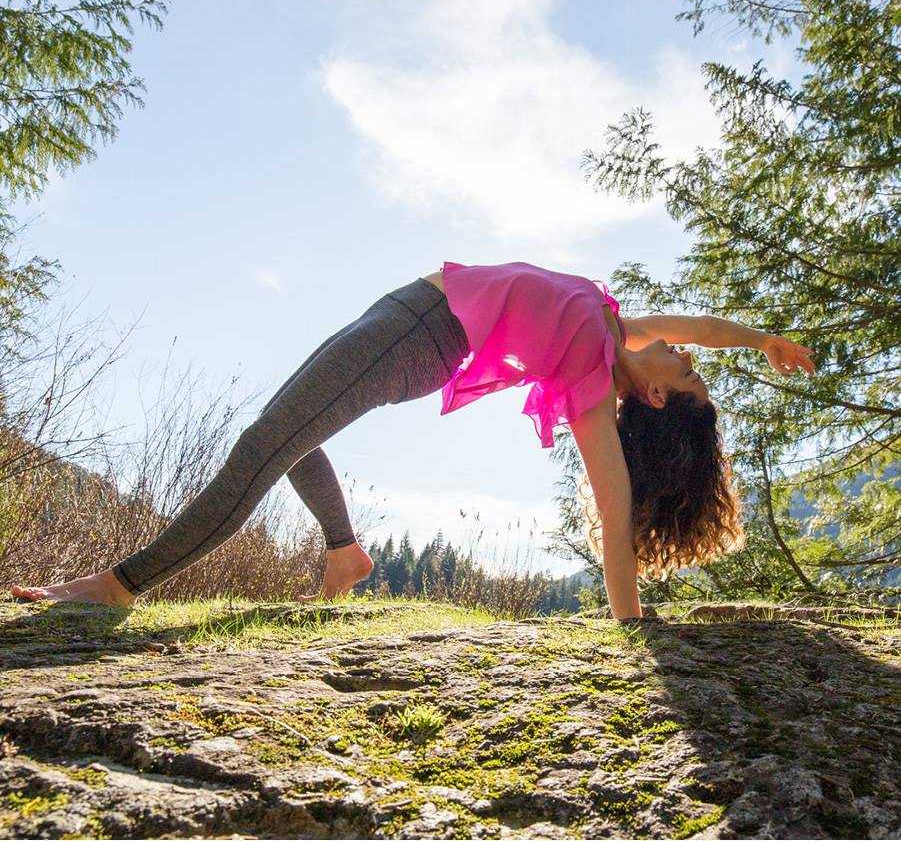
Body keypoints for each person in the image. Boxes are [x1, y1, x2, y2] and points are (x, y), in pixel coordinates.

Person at [10, 260, 815, 617]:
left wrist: (631, 625)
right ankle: (343, 553)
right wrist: (761, 340)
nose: (687, 356)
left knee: (263, 446)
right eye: (694, 361)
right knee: (278, 433)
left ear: (657, 398)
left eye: (691, 374)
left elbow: (614, 516)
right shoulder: (616, 328)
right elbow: (699, 325)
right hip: (408, 312)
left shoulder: (591, 380)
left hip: (418, 334)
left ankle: (119, 585)